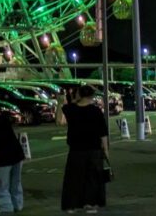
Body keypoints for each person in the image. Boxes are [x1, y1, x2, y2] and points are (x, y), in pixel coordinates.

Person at [60, 84, 109, 215]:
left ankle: (71, 205)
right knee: (92, 178)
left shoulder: (70, 109)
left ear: (79, 94)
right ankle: (91, 204)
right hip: (94, 149)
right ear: (92, 96)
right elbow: (103, 132)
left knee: (74, 179)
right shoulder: (96, 111)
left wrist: (74, 100)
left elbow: (60, 121)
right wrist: (106, 150)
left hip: (76, 149)